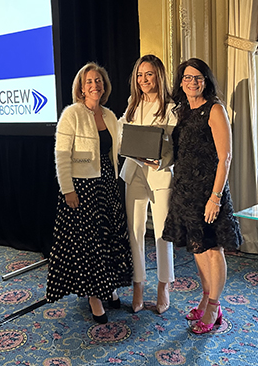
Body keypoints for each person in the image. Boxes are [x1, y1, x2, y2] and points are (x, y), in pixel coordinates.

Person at [46, 63, 133, 324]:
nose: (95, 85)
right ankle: (94, 295)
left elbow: (119, 147)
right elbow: (61, 156)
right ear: (81, 88)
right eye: (89, 82)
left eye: (98, 81)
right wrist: (67, 190)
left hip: (107, 185)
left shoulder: (109, 115)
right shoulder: (71, 114)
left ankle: (109, 285)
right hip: (82, 188)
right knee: (90, 244)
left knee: (109, 238)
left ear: (104, 86)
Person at [162, 58, 242, 334]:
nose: (192, 82)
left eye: (198, 77)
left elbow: (225, 157)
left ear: (205, 81)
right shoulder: (182, 111)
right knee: (198, 249)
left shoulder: (215, 109)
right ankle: (207, 299)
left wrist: (215, 197)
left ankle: (214, 306)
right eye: (187, 77)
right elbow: (180, 152)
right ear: (181, 82)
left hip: (209, 193)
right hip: (185, 192)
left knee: (212, 250)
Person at [119, 55, 176, 314]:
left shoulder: (172, 108)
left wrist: (162, 159)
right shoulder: (132, 104)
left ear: (159, 76)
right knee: (135, 230)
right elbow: (121, 133)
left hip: (160, 173)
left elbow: (177, 146)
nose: (143, 79)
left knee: (163, 232)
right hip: (134, 172)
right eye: (140, 75)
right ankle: (138, 285)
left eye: (149, 74)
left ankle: (164, 285)